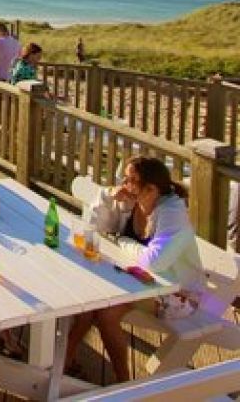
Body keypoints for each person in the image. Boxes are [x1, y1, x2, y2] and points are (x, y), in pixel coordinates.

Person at [64, 156, 203, 381]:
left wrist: (123, 242)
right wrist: (107, 199)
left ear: (151, 189)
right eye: (124, 178)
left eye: (131, 180)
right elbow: (92, 229)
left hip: (176, 293)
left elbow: (154, 262)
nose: (124, 185)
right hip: (137, 280)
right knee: (91, 300)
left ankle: (123, 382)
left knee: (106, 311)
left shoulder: (172, 213)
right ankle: (66, 360)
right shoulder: (132, 203)